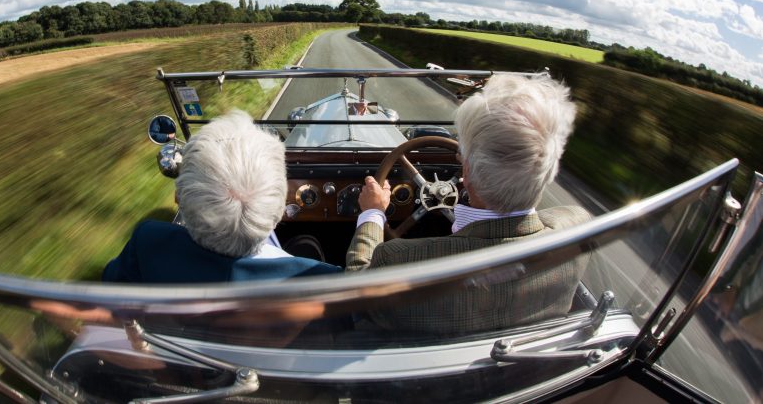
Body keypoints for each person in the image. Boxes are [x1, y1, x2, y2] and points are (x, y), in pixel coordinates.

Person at [345, 74, 590, 334]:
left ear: (468, 172)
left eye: (462, 154)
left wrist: (372, 213)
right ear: (548, 169)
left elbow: (356, 294)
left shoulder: (397, 259)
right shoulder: (578, 229)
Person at [104, 110, 340, 283]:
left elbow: (112, 290)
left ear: (179, 199)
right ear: (280, 211)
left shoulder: (147, 243)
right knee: (308, 245)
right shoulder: (321, 278)